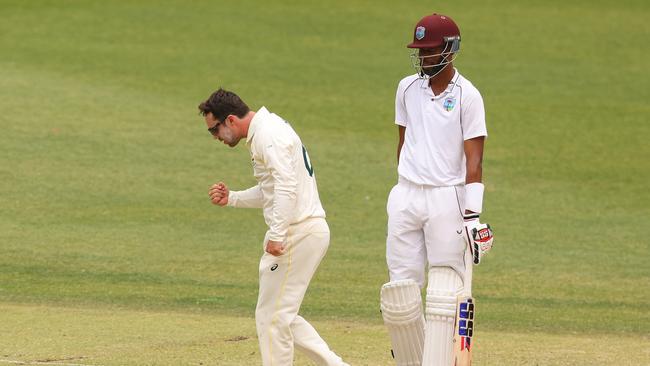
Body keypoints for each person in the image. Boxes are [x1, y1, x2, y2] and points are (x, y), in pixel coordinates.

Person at [198, 88, 348, 366]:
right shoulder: (266, 131)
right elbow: (273, 189)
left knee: (272, 318)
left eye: (214, 130)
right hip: (305, 230)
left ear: (230, 120)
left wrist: (278, 234)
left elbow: (286, 188)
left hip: (299, 232)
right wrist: (233, 198)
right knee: (281, 315)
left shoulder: (268, 136)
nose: (216, 138)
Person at [379, 13, 495, 366]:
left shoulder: (468, 96)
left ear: (450, 49)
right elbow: (403, 141)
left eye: (429, 50)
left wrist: (473, 217)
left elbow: (474, 161)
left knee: (444, 290)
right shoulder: (406, 88)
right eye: (420, 50)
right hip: (406, 193)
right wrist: (404, 184)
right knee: (400, 292)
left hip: (447, 197)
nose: (423, 57)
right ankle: (411, 360)